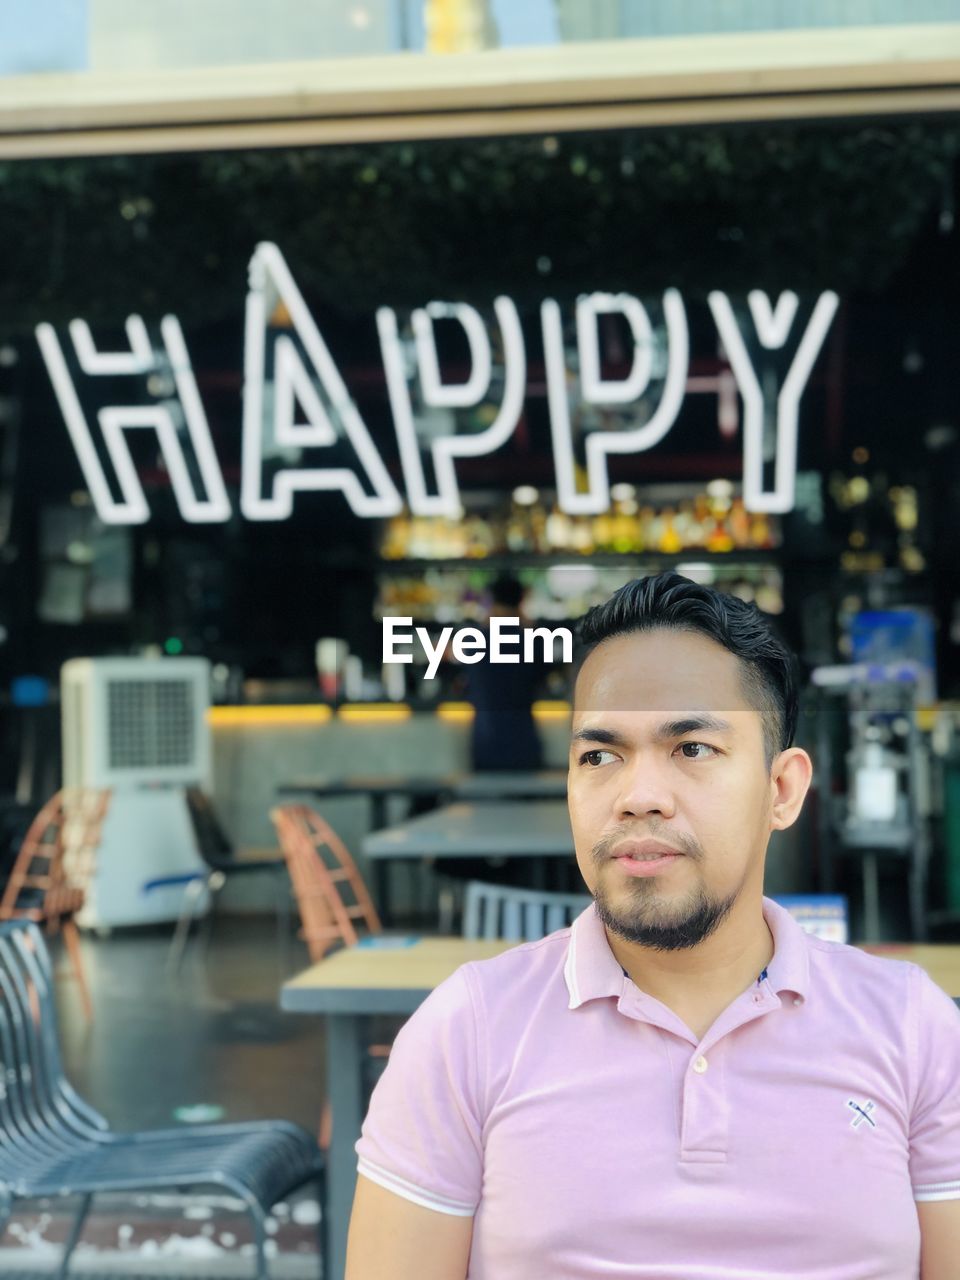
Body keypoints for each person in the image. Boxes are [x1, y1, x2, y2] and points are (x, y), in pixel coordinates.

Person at [346, 571, 960, 1280]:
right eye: (600, 756)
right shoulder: (466, 1033)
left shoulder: (915, 1031)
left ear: (782, 789)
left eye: (692, 749)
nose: (638, 796)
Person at [465, 572, 543, 772]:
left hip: (485, 738)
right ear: (522, 600)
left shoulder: (475, 639)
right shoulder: (534, 640)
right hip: (523, 738)